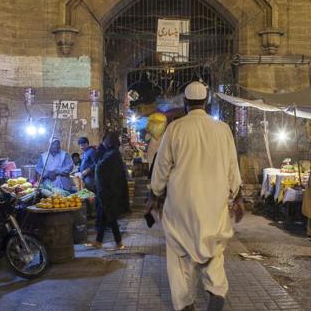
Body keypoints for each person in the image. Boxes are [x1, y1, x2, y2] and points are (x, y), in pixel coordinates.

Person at [151, 81, 243, 311]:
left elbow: (161, 167)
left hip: (181, 205)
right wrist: (237, 196)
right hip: (214, 204)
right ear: (207, 102)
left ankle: (185, 304)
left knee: (180, 257)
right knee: (213, 254)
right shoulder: (222, 130)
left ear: (185, 103)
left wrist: (155, 192)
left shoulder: (175, 129)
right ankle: (216, 294)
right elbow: (233, 167)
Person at [88, 132, 129, 250]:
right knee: (102, 216)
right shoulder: (110, 153)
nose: (103, 143)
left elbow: (100, 167)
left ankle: (119, 243)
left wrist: (99, 152)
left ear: (110, 141)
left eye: (104, 140)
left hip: (108, 192)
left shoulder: (113, 154)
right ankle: (99, 241)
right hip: (104, 191)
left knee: (110, 216)